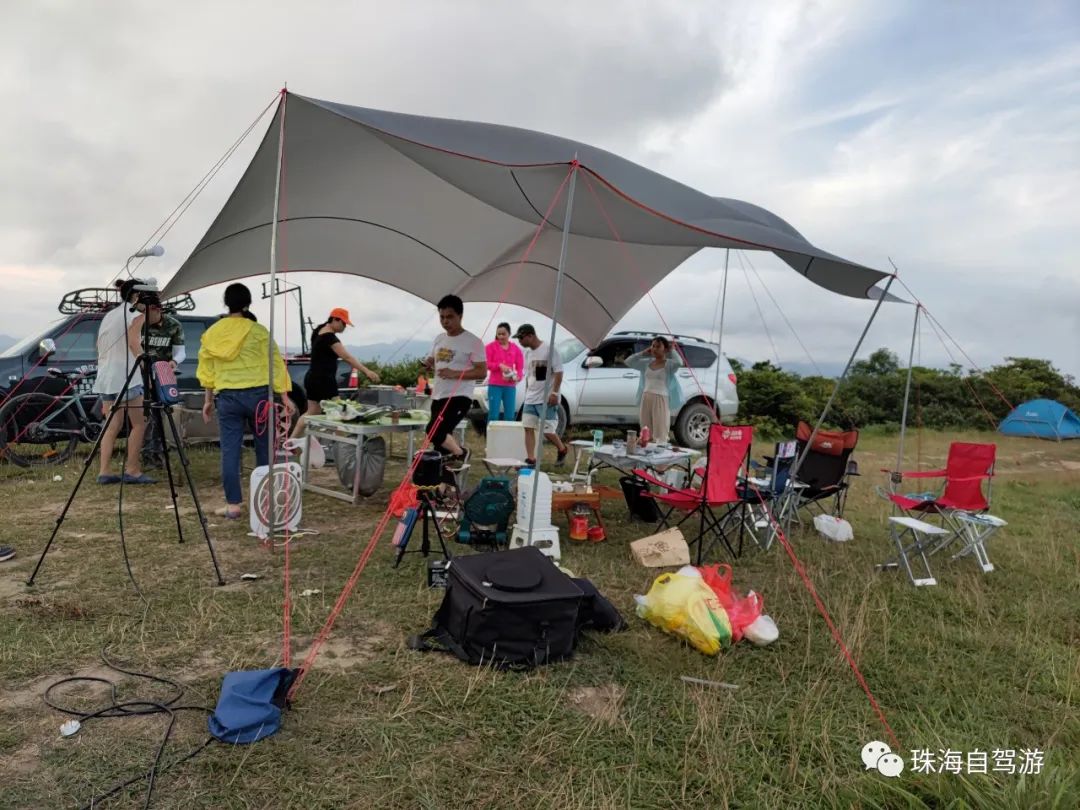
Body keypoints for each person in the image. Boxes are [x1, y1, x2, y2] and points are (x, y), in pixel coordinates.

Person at [198, 283, 297, 519]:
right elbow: (275, 364)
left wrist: (208, 400)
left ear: (226, 303)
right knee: (264, 448)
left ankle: (233, 505)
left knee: (230, 451)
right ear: (248, 303)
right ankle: (264, 501)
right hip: (259, 397)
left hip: (227, 398)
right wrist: (284, 395)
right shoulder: (259, 331)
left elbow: (207, 370)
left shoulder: (212, 333)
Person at [92, 278, 155, 485]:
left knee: (112, 425)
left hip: (106, 377)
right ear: (137, 295)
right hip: (127, 376)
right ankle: (133, 470)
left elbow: (99, 344)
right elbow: (134, 344)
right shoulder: (135, 315)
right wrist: (148, 370)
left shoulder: (109, 315)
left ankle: (104, 471)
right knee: (139, 423)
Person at [292, 307, 380, 437]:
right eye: (343, 323)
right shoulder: (329, 338)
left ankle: (291, 441)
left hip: (312, 378)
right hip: (324, 380)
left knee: (312, 412)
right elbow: (347, 357)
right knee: (340, 412)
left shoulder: (318, 331)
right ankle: (343, 444)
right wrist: (367, 371)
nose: (344, 327)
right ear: (335, 319)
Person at [422, 294, 486, 471]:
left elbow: (482, 371)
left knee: (434, 430)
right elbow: (433, 358)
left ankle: (461, 453)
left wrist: (455, 374)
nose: (445, 321)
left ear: (460, 316)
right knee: (440, 444)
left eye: (449, 317)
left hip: (459, 396)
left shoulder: (473, 342)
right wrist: (429, 363)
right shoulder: (439, 338)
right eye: (442, 317)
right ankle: (445, 484)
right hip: (439, 395)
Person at [514, 324, 568, 468]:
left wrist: (554, 393)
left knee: (547, 431)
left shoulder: (549, 349)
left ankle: (562, 449)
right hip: (530, 398)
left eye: (521, 338)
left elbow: (559, 372)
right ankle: (531, 459)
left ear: (530, 336)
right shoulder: (527, 353)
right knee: (528, 427)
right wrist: (527, 393)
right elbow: (529, 375)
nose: (519, 341)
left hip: (546, 398)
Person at [141, 301, 186, 467]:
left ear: (158, 310)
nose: (145, 315)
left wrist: (174, 362)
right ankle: (145, 453)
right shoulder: (139, 323)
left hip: (162, 373)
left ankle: (157, 453)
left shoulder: (173, 325)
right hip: (141, 373)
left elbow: (180, 351)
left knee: (161, 411)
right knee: (145, 413)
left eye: (149, 311)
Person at [626, 336, 683, 444]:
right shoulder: (646, 363)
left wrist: (672, 350)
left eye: (658, 346)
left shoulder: (669, 364)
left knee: (660, 430)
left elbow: (679, 362)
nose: (654, 349)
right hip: (646, 397)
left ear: (665, 349)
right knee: (645, 429)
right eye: (653, 346)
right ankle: (646, 448)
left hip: (660, 398)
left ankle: (660, 450)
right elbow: (628, 362)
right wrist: (643, 352)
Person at [485, 322, 523, 422]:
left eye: (503, 334)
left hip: (510, 386)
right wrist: (499, 365)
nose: (501, 336)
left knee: (510, 416)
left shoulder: (515, 348)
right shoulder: (490, 347)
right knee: (493, 415)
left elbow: (520, 367)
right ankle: (491, 432)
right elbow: (486, 364)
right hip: (494, 386)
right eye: (499, 334)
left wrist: (517, 377)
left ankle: (508, 432)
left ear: (509, 334)